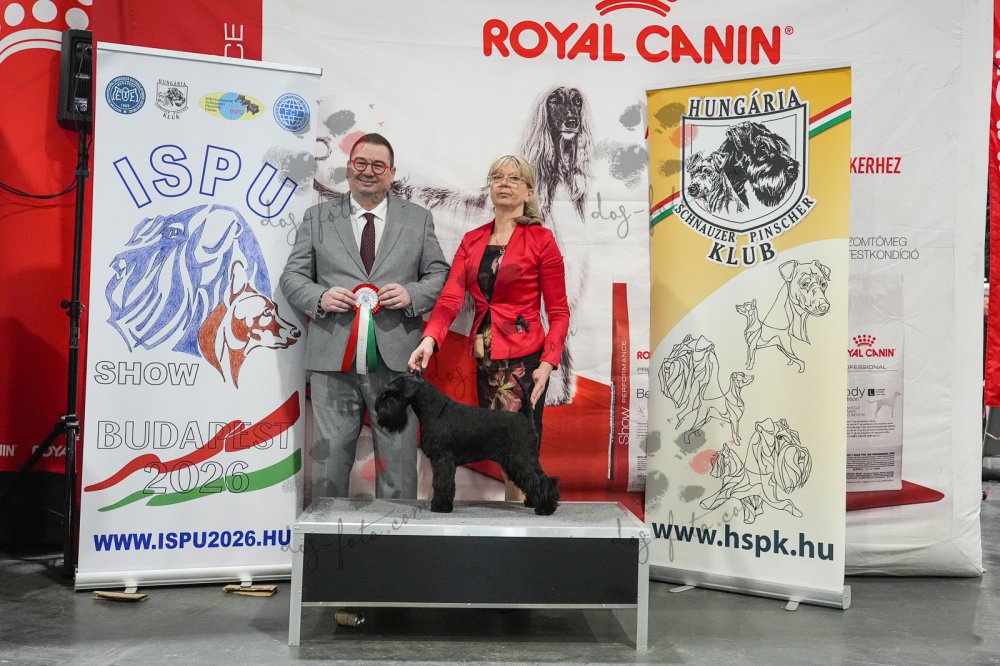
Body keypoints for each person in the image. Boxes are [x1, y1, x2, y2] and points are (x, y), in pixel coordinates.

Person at [280, 133, 449, 502]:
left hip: (397, 361)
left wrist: (412, 294)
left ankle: (395, 535)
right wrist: (320, 296)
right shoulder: (318, 217)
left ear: (392, 173)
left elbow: (439, 273)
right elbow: (292, 277)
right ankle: (326, 534)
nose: (368, 171)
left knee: (399, 460)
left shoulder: (418, 219)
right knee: (330, 457)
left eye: (377, 165)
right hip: (331, 360)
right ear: (348, 167)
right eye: (360, 163)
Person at [408, 155, 569, 500]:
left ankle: (525, 518)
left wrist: (547, 364)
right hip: (486, 360)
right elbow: (450, 299)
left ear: (529, 192)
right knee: (503, 455)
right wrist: (429, 339)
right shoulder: (472, 240)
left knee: (519, 453)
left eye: (514, 178)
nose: (504, 182)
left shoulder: (541, 240)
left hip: (526, 361)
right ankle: (518, 516)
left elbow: (558, 312)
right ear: (490, 187)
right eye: (497, 176)